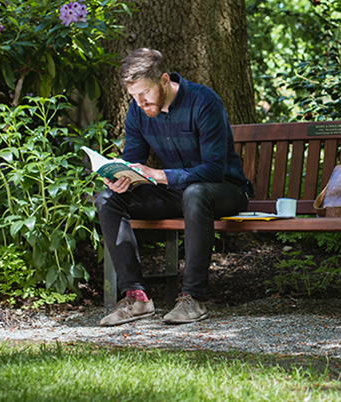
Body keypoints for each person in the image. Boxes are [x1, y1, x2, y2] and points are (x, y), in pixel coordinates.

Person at [95, 48, 253, 326]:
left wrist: (160, 174)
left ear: (164, 80)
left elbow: (214, 169)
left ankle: (193, 298)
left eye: (144, 93)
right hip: (177, 194)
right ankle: (136, 297)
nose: (140, 102)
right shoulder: (138, 110)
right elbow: (133, 158)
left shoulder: (204, 102)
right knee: (108, 199)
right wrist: (121, 176)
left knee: (196, 192)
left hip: (224, 189)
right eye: (133, 96)